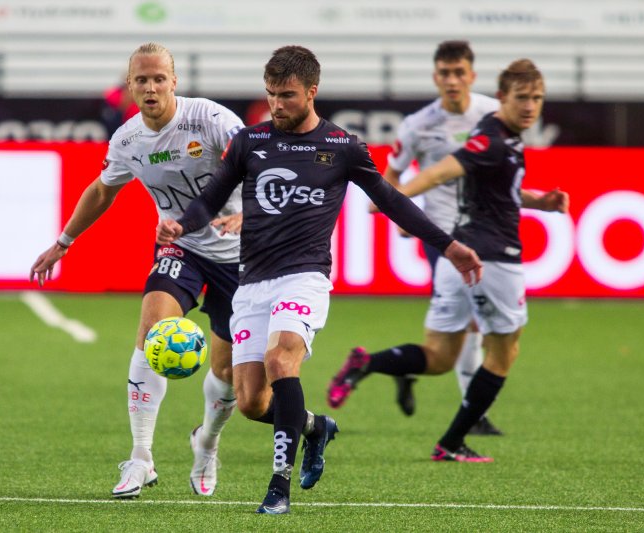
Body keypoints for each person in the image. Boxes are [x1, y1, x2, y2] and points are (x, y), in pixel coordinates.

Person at [157, 45, 483, 513]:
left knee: (281, 360)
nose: (276, 105)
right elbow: (209, 200)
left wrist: (449, 246)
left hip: (305, 277)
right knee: (250, 401)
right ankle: (315, 428)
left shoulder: (343, 148)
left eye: (287, 95)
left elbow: (393, 201)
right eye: (270, 94)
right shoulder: (249, 142)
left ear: (312, 91)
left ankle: (278, 488)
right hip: (251, 284)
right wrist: (182, 225)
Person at [29, 42, 245, 498]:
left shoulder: (210, 119)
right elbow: (102, 191)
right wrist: (62, 243)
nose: (150, 88)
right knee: (151, 332)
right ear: (130, 86)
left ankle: (206, 443)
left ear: (174, 82)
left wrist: (248, 214)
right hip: (180, 247)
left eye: (158, 79)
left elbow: (258, 164)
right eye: (141, 80)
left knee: (229, 375)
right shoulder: (127, 139)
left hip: (239, 254)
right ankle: (141, 457)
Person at [328, 59, 568, 462]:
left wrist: (539, 202)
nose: (531, 107)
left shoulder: (503, 137)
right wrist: (392, 201)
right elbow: (440, 173)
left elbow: (495, 188)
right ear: (502, 99)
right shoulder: (489, 139)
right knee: (503, 353)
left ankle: (369, 362)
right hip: (493, 261)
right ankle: (452, 442)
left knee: (439, 356)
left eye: (538, 98)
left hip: (459, 259)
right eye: (522, 98)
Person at [327, 40, 503, 436]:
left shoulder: (492, 114)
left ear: (472, 76)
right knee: (476, 324)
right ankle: (471, 414)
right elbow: (391, 177)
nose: (452, 80)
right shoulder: (418, 125)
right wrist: (396, 213)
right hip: (445, 237)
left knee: (462, 333)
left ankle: (407, 371)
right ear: (435, 76)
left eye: (459, 72)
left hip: (488, 232)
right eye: (445, 72)